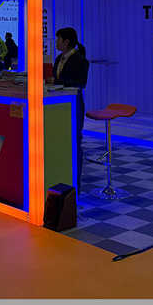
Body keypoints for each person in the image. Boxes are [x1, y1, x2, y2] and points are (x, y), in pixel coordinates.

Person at [54, 27, 89, 193]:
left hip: (73, 105)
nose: (56, 42)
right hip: (59, 106)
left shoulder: (80, 60)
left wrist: (58, 82)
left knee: (74, 143)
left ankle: (76, 185)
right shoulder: (58, 58)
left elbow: (80, 83)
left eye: (58, 39)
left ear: (66, 41)